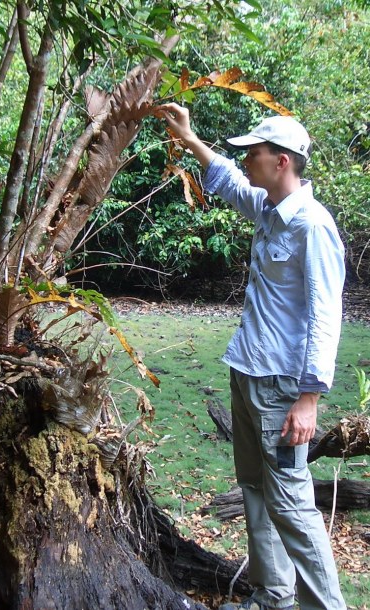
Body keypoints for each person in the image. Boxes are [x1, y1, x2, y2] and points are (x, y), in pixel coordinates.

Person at [157, 103, 347, 610]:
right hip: (248, 374)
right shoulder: (269, 209)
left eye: (254, 153)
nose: (247, 161)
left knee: (292, 503)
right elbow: (225, 181)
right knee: (256, 493)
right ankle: (273, 597)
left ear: (281, 161)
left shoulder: (313, 227)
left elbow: (327, 316)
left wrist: (309, 398)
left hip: (283, 388)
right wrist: (191, 139)